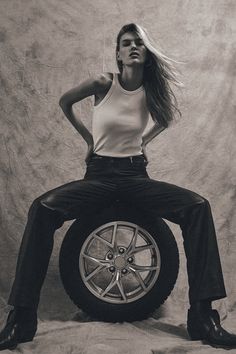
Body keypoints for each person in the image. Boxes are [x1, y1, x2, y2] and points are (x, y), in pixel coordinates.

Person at [0, 23, 235, 351]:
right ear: (118, 54)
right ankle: (21, 320)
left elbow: (165, 120)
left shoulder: (150, 90)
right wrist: (88, 139)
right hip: (98, 176)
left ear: (146, 51)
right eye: (126, 43)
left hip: (135, 177)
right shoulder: (103, 83)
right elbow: (65, 102)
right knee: (42, 207)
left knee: (198, 206)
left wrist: (142, 143)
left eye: (139, 42)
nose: (133, 47)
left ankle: (203, 317)